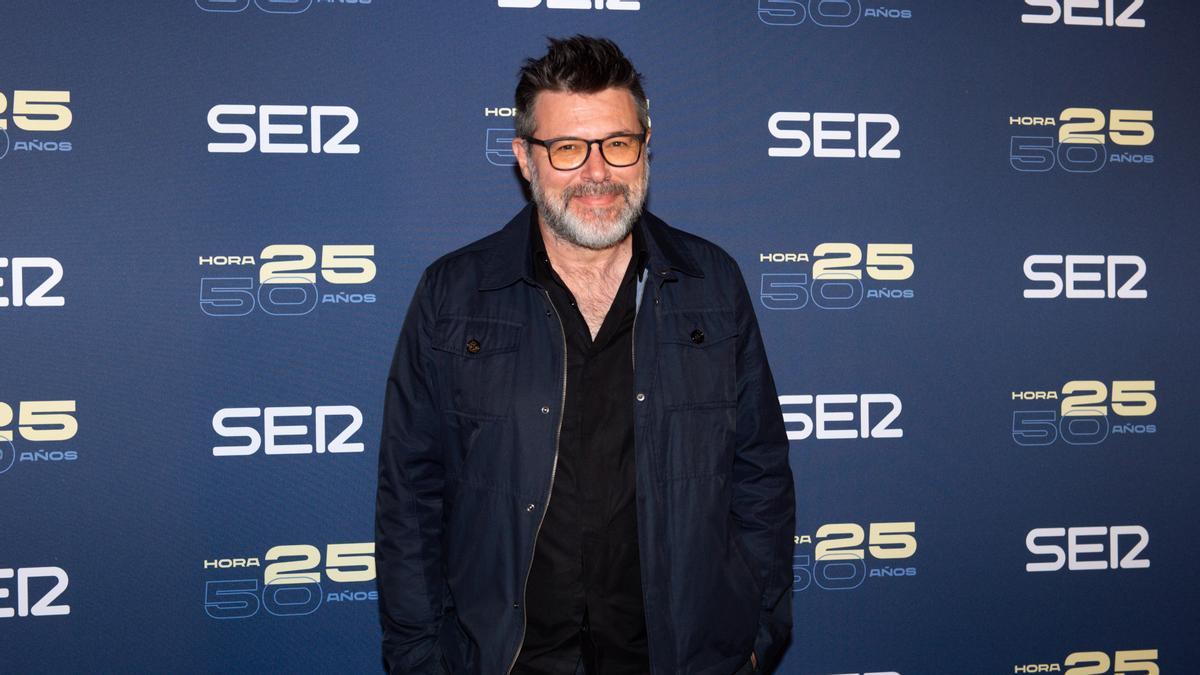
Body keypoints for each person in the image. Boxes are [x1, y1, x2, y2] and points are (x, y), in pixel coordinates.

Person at [376, 35, 795, 675]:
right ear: (524, 157)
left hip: (679, 659)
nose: (597, 172)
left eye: (617, 144)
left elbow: (759, 473)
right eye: (568, 148)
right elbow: (411, 496)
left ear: (645, 146)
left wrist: (756, 635)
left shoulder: (711, 283)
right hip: (509, 660)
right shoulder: (454, 294)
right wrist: (418, 657)